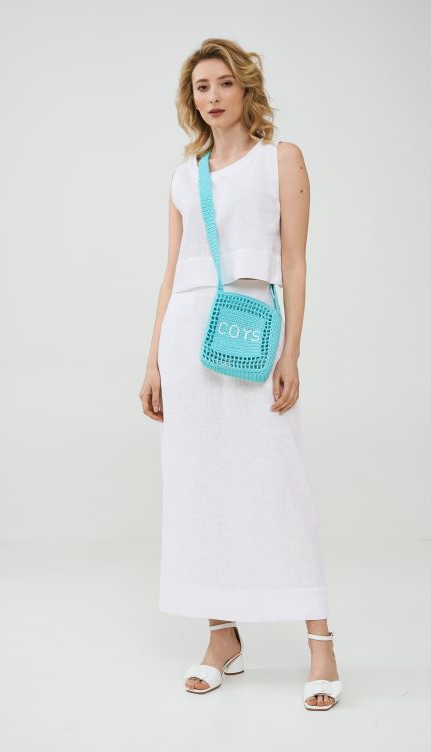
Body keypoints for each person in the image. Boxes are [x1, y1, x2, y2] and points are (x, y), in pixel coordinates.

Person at [139, 38, 342, 710]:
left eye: (224, 82)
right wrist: (152, 359)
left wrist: (292, 353)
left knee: (276, 478)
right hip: (186, 334)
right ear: (190, 99)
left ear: (246, 88)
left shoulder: (281, 159)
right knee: (198, 483)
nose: (214, 96)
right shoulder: (183, 176)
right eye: (202, 87)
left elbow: (296, 262)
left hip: (251, 324)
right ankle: (221, 635)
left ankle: (320, 642)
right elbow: (172, 270)